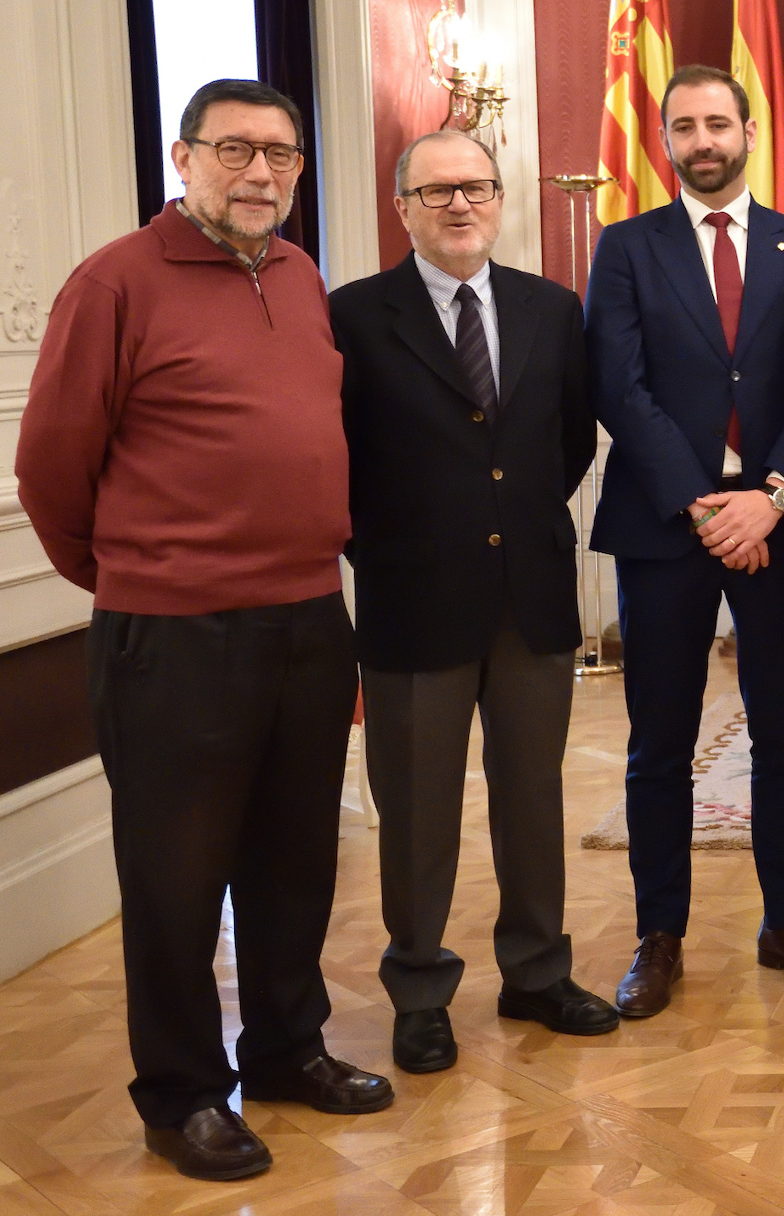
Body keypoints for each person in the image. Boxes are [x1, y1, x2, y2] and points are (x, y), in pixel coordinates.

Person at [14, 79, 390, 1181]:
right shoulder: (115, 283)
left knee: (294, 858)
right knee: (177, 879)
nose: (261, 173)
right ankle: (180, 1094)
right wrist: (134, 573)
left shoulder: (301, 275)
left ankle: (285, 1050)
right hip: (173, 633)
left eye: (281, 155)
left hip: (310, 617)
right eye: (234, 150)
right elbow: (48, 469)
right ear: (183, 160)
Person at [332, 131, 618, 1075]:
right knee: (416, 809)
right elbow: (334, 460)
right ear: (402, 206)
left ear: (502, 200)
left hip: (531, 595)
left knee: (534, 799)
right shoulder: (354, 318)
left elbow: (568, 440)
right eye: (438, 191)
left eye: (478, 188)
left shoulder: (551, 309)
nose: (461, 205)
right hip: (413, 600)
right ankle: (420, 989)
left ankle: (537, 973)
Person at [585, 64, 784, 1015]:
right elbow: (619, 387)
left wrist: (771, 496)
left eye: (717, 123)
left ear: (750, 131)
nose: (702, 140)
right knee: (662, 741)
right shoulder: (625, 247)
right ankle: (661, 935)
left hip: (778, 524)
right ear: (665, 141)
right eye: (684, 126)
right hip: (667, 527)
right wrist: (704, 504)